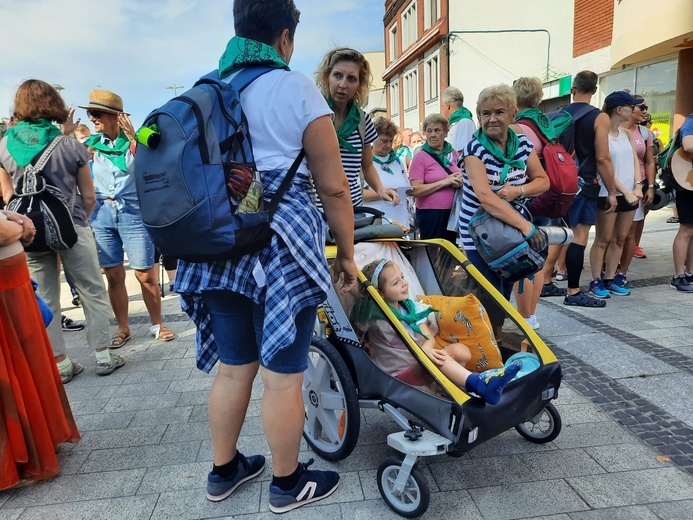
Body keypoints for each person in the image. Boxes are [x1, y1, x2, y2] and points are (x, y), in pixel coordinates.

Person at [175, 0, 358, 512]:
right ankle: (286, 482)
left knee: (235, 369)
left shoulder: (207, 87)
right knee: (284, 374)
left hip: (218, 240)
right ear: (284, 38)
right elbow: (334, 188)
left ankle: (224, 469)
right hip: (279, 240)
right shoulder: (296, 86)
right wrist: (344, 253)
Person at [0, 80, 124, 382]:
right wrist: (79, 220)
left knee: (45, 295)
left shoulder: (4, 145)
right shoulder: (69, 144)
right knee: (92, 289)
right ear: (52, 103)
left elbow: (6, 197)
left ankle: (60, 363)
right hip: (72, 226)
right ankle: (104, 356)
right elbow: (89, 195)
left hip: (27, 231)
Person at [80, 89, 175, 345]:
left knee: (145, 274)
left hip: (133, 213)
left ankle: (158, 324)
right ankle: (123, 328)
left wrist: (133, 137)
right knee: (113, 275)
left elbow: (158, 160)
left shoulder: (141, 135)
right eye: (90, 114)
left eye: (97, 114)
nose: (92, 119)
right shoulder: (90, 146)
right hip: (101, 214)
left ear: (116, 116)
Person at [354, 259, 520, 405]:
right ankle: (478, 384)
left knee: (461, 351)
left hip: (420, 362)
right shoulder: (372, 315)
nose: (404, 283)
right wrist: (363, 343)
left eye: (403, 277)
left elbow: (429, 339)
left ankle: (451, 388)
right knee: (437, 360)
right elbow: (354, 328)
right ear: (379, 293)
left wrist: (426, 352)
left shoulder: (411, 309)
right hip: (397, 377)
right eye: (395, 283)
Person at [0, 209, 80, 489]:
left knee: (25, 369)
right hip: (5, 287)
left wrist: (13, 218)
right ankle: (15, 460)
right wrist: (20, 226)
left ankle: (37, 443)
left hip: (12, 283)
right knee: (11, 373)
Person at [457, 85, 549, 305]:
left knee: (507, 286)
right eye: (485, 114)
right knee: (488, 292)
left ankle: (498, 333)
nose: (492, 119)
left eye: (499, 112)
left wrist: (518, 190)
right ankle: (490, 335)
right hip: (481, 231)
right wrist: (527, 227)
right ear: (478, 117)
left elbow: (543, 181)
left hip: (512, 227)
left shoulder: (523, 145)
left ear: (512, 115)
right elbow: (486, 198)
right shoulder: (474, 150)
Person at [512, 76, 568, 329]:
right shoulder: (547, 124)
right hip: (547, 195)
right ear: (538, 98)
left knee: (521, 259)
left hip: (524, 200)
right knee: (538, 257)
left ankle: (524, 316)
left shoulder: (517, 128)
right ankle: (531, 315)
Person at [314, 47, 398, 209]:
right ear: (327, 77)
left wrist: (381, 190)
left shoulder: (363, 120)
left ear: (359, 85)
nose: (343, 84)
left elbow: (367, 166)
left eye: (351, 78)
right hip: (317, 210)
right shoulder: (313, 115)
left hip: (352, 208)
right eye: (337, 75)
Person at [561, 71, 619, 308]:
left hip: (558, 182)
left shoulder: (558, 114)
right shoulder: (599, 117)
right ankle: (573, 291)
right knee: (579, 236)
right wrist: (613, 191)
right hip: (584, 184)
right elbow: (603, 158)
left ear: (573, 90)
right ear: (594, 91)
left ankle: (545, 281)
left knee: (557, 236)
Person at [587, 91, 643, 298]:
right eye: (632, 106)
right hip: (608, 192)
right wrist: (625, 191)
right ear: (619, 109)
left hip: (630, 193)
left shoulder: (627, 133)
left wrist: (638, 186)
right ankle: (595, 280)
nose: (635, 110)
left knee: (620, 238)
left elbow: (635, 161)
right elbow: (604, 166)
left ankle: (610, 278)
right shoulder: (602, 135)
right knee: (603, 239)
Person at [615, 97, 656, 286]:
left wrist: (650, 186)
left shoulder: (645, 133)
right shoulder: (614, 128)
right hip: (614, 185)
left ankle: (622, 271)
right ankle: (610, 267)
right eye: (641, 107)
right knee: (611, 234)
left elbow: (649, 161)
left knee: (630, 234)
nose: (644, 111)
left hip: (637, 187)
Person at [408, 113, 463, 242]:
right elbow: (415, 190)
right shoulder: (420, 157)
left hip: (453, 212)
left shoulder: (453, 153)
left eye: (437, 130)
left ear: (445, 132)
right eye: (429, 131)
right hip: (431, 214)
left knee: (451, 254)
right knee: (433, 254)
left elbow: (462, 173)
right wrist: (445, 182)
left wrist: (459, 180)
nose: (433, 135)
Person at [367, 116, 412, 229]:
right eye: (384, 141)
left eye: (391, 140)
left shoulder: (397, 162)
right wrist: (383, 193)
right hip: (377, 224)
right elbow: (358, 194)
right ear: (374, 139)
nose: (388, 145)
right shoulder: (365, 163)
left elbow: (406, 187)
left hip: (400, 221)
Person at [670, 112, 693, 292]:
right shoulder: (691, 121)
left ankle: (690, 273)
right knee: (686, 229)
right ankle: (678, 275)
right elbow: (688, 145)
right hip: (687, 182)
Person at [441, 86, 477, 154]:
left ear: (447, 105)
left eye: (442, 106)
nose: (442, 110)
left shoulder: (464, 122)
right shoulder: (454, 122)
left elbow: (462, 153)